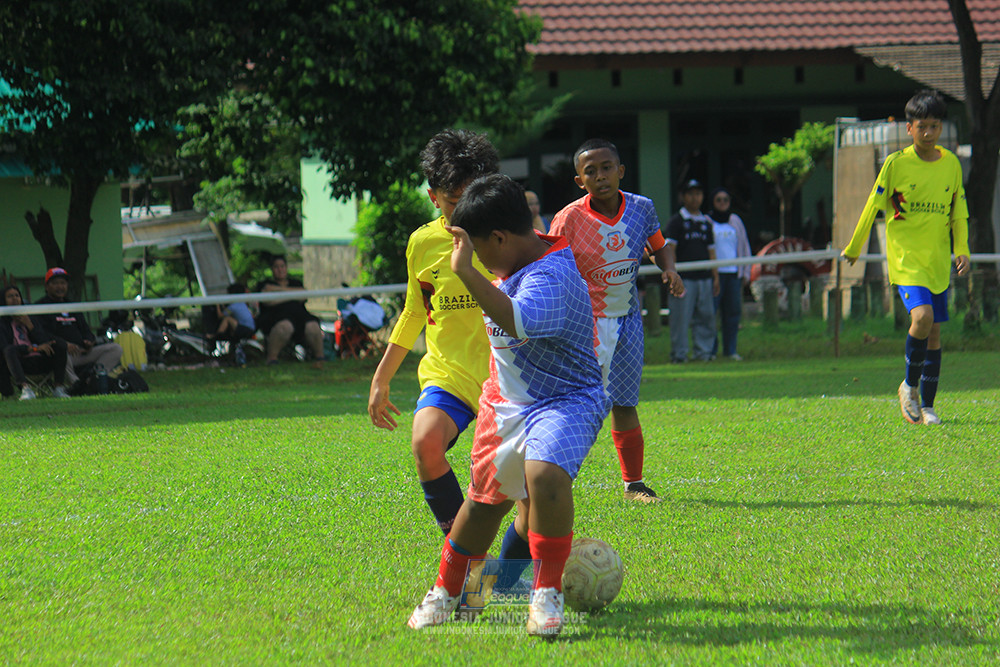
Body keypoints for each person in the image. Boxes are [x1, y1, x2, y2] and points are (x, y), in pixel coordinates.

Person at [407, 173, 610, 637]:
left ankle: (545, 594)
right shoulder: (514, 253)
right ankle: (447, 592)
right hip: (504, 404)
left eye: (481, 249)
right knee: (482, 507)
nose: (477, 259)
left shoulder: (553, 274)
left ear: (500, 237)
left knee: (545, 475)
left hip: (566, 399)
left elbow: (516, 320)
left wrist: (466, 270)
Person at [368, 129, 498, 535]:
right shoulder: (422, 243)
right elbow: (413, 312)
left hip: (508, 376)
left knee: (522, 488)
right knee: (425, 443)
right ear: (433, 197)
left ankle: (518, 581)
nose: (465, 212)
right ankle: (469, 560)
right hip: (450, 375)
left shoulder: (505, 235)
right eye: (454, 202)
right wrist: (381, 378)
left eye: (472, 198)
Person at [548, 138, 685, 505]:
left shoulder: (641, 208)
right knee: (573, 403)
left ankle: (634, 485)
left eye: (607, 167)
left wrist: (669, 269)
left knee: (624, 402)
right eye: (590, 171)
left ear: (620, 171)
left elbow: (658, 246)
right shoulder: (568, 218)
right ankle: (550, 479)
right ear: (580, 181)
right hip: (583, 325)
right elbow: (550, 266)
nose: (600, 176)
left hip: (626, 322)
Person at [843, 89, 970, 425]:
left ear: (941, 127)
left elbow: (959, 212)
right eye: (922, 126)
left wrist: (962, 249)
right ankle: (908, 386)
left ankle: (927, 406)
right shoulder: (896, 164)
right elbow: (873, 205)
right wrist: (855, 246)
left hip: (937, 261)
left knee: (936, 333)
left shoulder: (951, 165)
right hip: (906, 261)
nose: (928, 133)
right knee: (923, 318)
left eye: (934, 126)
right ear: (909, 128)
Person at [35, 267, 123, 385]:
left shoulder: (72, 305)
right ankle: (77, 386)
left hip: (81, 352)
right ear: (47, 286)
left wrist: (89, 342)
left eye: (63, 283)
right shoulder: (39, 307)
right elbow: (41, 334)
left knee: (115, 349)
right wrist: (65, 345)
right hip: (61, 354)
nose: (60, 287)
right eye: (55, 283)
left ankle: (95, 379)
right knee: (60, 354)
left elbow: (86, 330)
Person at [665, 179, 719, 363]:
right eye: (690, 194)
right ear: (683, 196)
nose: (695, 198)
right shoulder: (676, 222)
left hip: (704, 278)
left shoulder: (706, 223)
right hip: (684, 279)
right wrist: (673, 275)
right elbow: (670, 250)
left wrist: (715, 277)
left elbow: (712, 251)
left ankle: (703, 353)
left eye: (698, 194)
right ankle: (679, 355)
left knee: (706, 318)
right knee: (680, 319)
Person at [1, 284, 71, 400]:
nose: (14, 298)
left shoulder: (31, 318)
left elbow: (45, 340)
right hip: (18, 363)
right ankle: (25, 389)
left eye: (17, 295)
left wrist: (30, 325)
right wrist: (33, 349)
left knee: (59, 344)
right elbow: (4, 348)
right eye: (10, 296)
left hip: (39, 360)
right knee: (9, 350)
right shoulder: (2, 323)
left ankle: (58, 387)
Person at [255, 256, 325, 368]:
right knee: (285, 327)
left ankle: (320, 358)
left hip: (300, 317)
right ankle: (272, 359)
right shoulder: (265, 284)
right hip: (275, 318)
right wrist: (292, 296)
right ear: (272, 269)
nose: (280, 269)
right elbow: (268, 302)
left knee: (313, 326)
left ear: (286, 268)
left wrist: (277, 291)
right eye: (276, 267)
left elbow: (303, 295)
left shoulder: (295, 282)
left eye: (282, 266)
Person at [708, 188, 752, 360]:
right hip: (715, 275)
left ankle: (731, 350)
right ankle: (711, 351)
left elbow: (744, 246)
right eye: (719, 200)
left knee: (733, 313)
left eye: (725, 200)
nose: (722, 203)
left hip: (734, 273)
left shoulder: (735, 221)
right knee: (711, 313)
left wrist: (746, 271)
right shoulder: (707, 221)